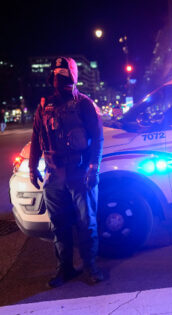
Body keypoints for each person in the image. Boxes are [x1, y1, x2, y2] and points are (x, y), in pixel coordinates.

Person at [29, 57, 104, 288]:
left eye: (64, 75)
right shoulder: (44, 106)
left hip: (79, 172)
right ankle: (65, 268)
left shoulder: (84, 104)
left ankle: (90, 267)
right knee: (59, 224)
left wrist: (93, 168)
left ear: (72, 76)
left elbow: (97, 139)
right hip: (54, 174)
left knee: (86, 222)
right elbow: (36, 138)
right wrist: (33, 167)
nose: (60, 80)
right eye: (56, 76)